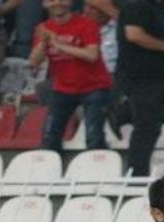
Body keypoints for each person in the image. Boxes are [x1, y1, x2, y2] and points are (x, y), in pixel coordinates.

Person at [108, 0, 164, 177]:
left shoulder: (155, 8)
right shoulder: (137, 5)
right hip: (141, 77)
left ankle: (124, 112)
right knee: (147, 128)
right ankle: (136, 177)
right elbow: (134, 35)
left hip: (161, 76)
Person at [28, 0, 112, 152]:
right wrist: (43, 42)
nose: (57, 3)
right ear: (44, 4)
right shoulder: (43, 28)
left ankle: (97, 173)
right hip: (63, 87)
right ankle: (51, 172)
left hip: (94, 86)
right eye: (51, 0)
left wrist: (58, 44)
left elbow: (92, 55)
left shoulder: (86, 24)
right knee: (49, 136)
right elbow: (34, 62)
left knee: (94, 137)